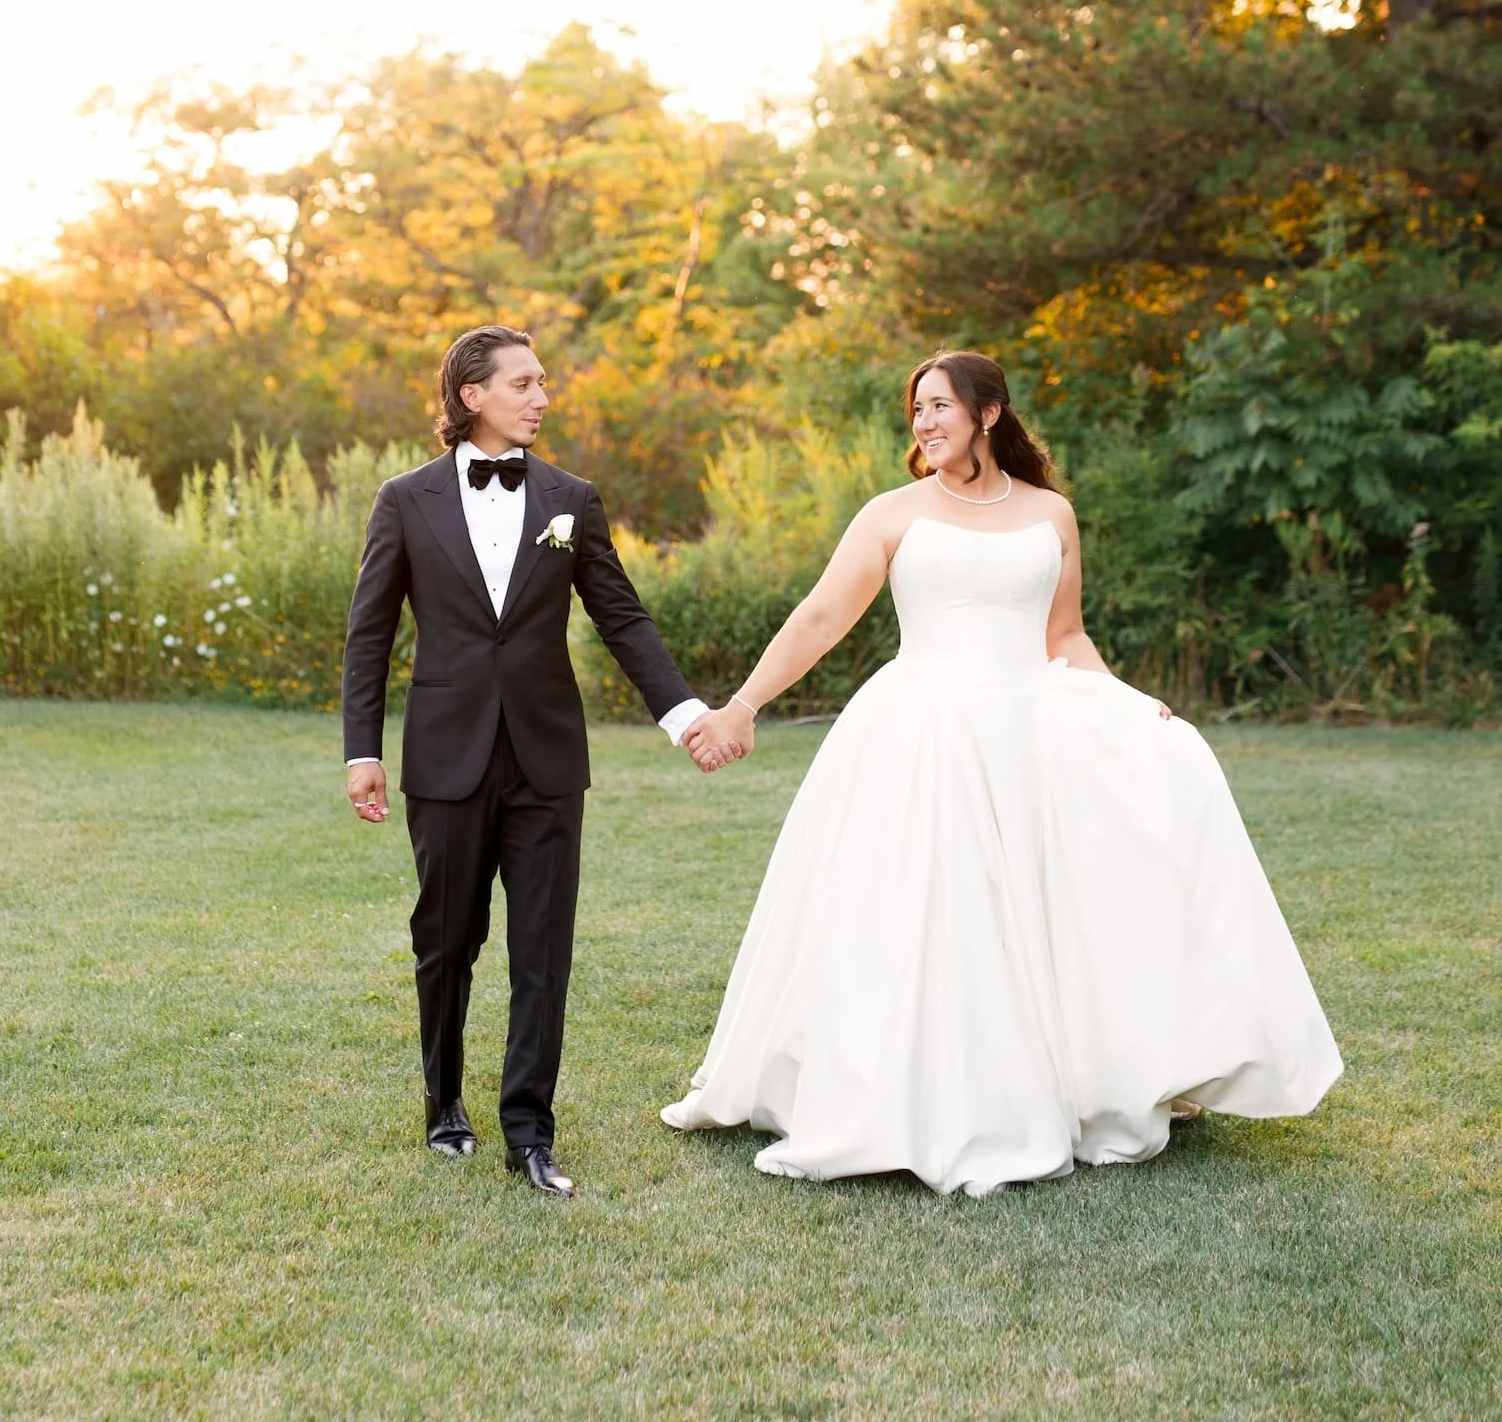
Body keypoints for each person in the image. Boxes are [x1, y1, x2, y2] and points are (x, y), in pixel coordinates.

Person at [666, 350, 1343, 1194]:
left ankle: (1066, 1080)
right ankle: (900, 1093)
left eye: (941, 407)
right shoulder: (890, 514)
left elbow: (1065, 636)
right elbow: (821, 616)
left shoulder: (1051, 514)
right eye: (916, 410)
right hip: (921, 731)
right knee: (928, 911)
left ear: (988, 415)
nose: (924, 423)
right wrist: (742, 706)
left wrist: (1128, 704)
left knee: (1050, 908)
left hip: (1030, 730)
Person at [343, 324, 709, 1196]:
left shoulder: (572, 499)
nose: (541, 397)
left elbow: (620, 617)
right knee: (446, 939)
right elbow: (368, 636)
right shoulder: (405, 499)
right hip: (446, 755)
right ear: (472, 396)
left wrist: (685, 714)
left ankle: (529, 1134)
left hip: (548, 761)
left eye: (543, 384)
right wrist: (362, 752)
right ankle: (444, 1104)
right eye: (524, 384)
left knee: (542, 949)